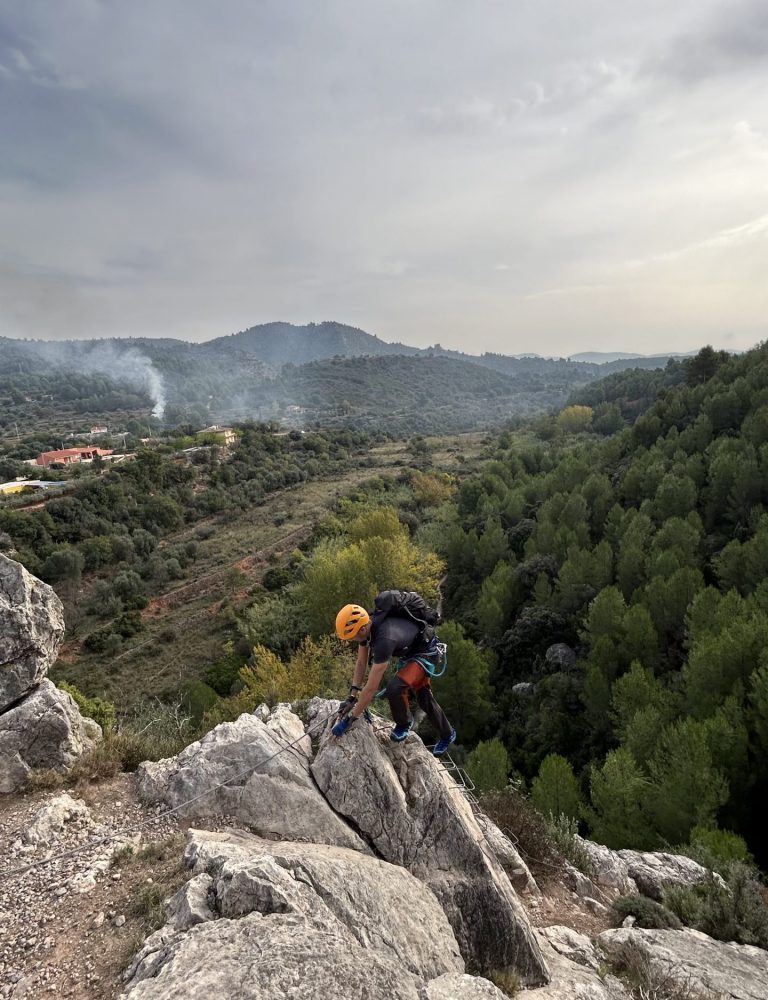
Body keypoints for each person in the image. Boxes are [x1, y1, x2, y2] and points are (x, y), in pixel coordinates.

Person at [330, 598, 456, 755]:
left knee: (395, 688)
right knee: (424, 698)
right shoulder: (367, 626)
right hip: (413, 651)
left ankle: (404, 724)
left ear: (361, 629)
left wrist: (350, 720)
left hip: (425, 653)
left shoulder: (384, 639)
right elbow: (361, 664)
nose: (353, 641)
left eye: (352, 637)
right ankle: (448, 733)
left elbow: (371, 688)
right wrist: (352, 696)